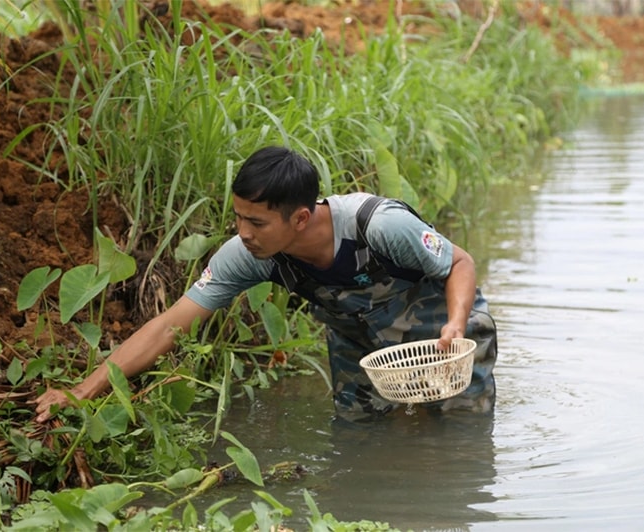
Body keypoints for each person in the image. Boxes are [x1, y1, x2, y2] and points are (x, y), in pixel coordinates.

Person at [35, 146, 497, 423]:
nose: (242, 232)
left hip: (442, 337)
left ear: (300, 217)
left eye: (255, 221)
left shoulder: (377, 226)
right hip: (358, 342)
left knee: (459, 434)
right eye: (237, 216)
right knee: (359, 432)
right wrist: (83, 390)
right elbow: (168, 325)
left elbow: (460, 263)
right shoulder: (249, 255)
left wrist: (455, 324)